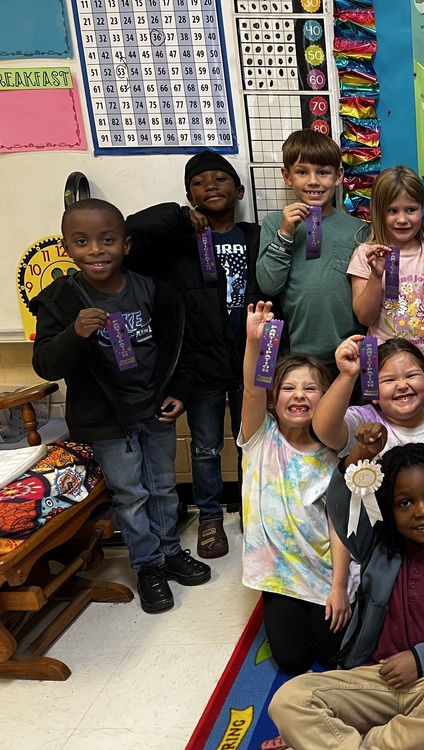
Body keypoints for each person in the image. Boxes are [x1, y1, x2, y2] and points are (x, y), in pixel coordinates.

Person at [31, 198, 210, 614]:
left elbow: (180, 352)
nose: (96, 250)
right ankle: (146, 564)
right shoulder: (60, 301)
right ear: (67, 247)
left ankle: (168, 552)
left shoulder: (154, 291)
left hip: (155, 411)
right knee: (130, 495)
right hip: (108, 420)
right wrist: (74, 333)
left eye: (107, 239)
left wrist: (179, 392)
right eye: (82, 241)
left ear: (126, 245)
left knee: (164, 487)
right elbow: (45, 365)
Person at [268, 439, 424, 750]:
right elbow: (340, 503)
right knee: (288, 699)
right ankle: (397, 740)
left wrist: (421, 660)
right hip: (373, 680)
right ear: (386, 510)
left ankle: (368, 742)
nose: (422, 511)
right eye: (404, 503)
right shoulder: (376, 547)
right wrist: (361, 454)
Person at [125, 150, 262, 559]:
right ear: (189, 196)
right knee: (205, 447)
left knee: (252, 444)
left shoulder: (256, 237)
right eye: (200, 182)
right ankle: (209, 518)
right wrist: (178, 219)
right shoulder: (174, 247)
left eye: (221, 179)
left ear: (239, 190)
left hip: (250, 362)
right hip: (199, 367)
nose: (212, 187)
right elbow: (129, 233)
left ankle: (255, 514)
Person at [239, 300, 350, 673]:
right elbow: (253, 389)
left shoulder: (334, 451)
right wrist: (256, 342)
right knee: (292, 660)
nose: (299, 395)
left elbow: (338, 522)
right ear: (274, 398)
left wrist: (339, 585)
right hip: (281, 576)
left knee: (335, 655)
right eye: (288, 388)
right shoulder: (260, 437)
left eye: (310, 388)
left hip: (324, 569)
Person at [313, 336, 424, 530]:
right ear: (372, 390)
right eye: (389, 380)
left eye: (411, 376)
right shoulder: (365, 422)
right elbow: (324, 430)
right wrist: (347, 375)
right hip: (385, 538)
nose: (402, 385)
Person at [256, 129, 366, 374]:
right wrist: (286, 233)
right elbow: (269, 285)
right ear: (287, 176)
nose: (314, 181)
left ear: (338, 176)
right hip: (299, 355)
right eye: (302, 172)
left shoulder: (358, 230)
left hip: (350, 352)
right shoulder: (275, 223)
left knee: (350, 413)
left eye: (323, 172)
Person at [347, 165, 424, 370]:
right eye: (392, 211)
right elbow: (365, 317)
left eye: (411, 210)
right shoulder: (365, 254)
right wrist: (376, 274)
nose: (402, 219)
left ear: (423, 208)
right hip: (382, 366)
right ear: (378, 211)